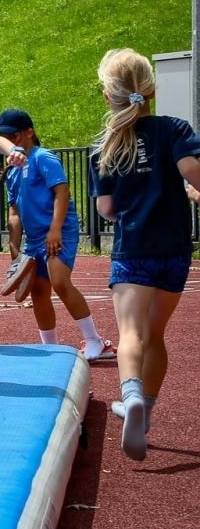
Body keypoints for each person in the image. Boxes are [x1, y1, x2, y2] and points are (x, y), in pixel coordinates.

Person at [89, 49, 200, 460]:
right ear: (150, 90)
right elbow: (193, 172)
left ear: (107, 96)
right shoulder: (174, 129)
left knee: (131, 334)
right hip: (174, 249)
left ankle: (131, 395)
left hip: (133, 248)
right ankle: (145, 410)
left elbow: (106, 210)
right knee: (156, 335)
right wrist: (189, 191)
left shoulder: (102, 147)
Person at [0, 107, 113, 360]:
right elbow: (14, 213)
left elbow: (62, 192)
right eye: (4, 137)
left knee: (59, 280)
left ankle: (95, 341)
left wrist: (55, 229)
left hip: (59, 230)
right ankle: (50, 347)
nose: (9, 141)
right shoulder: (12, 172)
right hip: (34, 239)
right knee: (38, 291)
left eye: (13, 135)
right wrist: (14, 249)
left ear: (29, 133)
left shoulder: (43, 158)